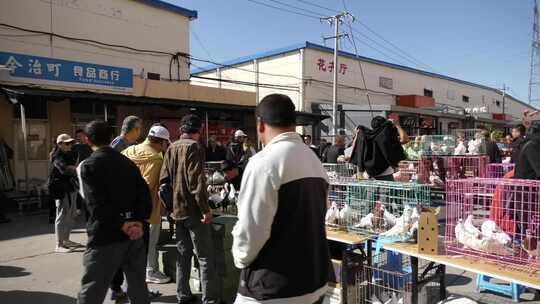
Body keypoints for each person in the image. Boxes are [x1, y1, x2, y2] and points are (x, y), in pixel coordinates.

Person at [232, 94, 330, 304]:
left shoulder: (263, 162)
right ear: (293, 124)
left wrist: (240, 257)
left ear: (260, 124)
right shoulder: (314, 160)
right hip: (314, 282)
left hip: (273, 288)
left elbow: (252, 228)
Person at [77, 120, 152, 304]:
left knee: (93, 289)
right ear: (111, 137)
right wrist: (138, 222)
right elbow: (144, 196)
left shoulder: (89, 165)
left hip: (106, 236)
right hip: (135, 235)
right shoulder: (127, 163)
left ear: (86, 139)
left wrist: (122, 224)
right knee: (138, 286)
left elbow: (96, 205)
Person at [160, 114, 219, 304]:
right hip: (193, 211)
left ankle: (182, 295)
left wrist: (169, 208)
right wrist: (205, 210)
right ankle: (210, 299)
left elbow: (163, 182)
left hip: (177, 211)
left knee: (183, 255)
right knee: (204, 257)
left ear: (181, 129)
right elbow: (196, 183)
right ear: (199, 130)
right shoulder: (194, 147)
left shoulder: (171, 147)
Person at [122, 125, 171, 285]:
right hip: (148, 210)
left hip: (126, 208)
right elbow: (148, 185)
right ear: (162, 142)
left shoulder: (130, 150)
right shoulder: (156, 158)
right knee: (149, 242)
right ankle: (150, 271)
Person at [109, 116, 143, 300]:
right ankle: (117, 288)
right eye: (139, 129)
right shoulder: (119, 146)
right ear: (134, 129)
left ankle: (120, 287)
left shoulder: (123, 144)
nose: (140, 133)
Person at [49, 134, 82, 253]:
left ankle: (66, 240)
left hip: (71, 187)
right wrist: (77, 168)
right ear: (60, 144)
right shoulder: (56, 155)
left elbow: (71, 168)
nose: (70, 145)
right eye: (67, 143)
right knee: (62, 215)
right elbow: (64, 169)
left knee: (71, 214)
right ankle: (58, 244)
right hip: (60, 188)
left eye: (71, 143)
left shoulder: (71, 153)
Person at [350, 116, 408, 181]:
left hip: (368, 174)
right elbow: (404, 139)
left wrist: (357, 135)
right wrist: (397, 125)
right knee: (388, 191)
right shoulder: (386, 140)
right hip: (385, 174)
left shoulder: (365, 138)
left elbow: (355, 148)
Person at [72, 129, 93, 218]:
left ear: (85, 136)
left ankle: (87, 209)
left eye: (80, 136)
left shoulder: (90, 146)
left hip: (89, 171)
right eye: (77, 136)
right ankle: (78, 209)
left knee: (88, 190)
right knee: (79, 190)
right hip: (78, 171)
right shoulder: (75, 147)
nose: (78, 138)